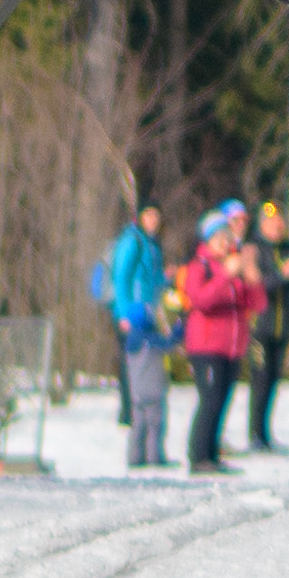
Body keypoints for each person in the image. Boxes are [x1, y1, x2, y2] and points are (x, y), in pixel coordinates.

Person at [177, 201, 264, 476]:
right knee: (210, 398)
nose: (226, 243)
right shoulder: (200, 266)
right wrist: (225, 276)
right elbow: (200, 299)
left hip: (231, 347)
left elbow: (257, 304)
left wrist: (252, 278)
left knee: (223, 399)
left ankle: (212, 454)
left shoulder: (233, 267)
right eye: (220, 238)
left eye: (228, 238)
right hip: (206, 346)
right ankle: (198, 454)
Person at [107, 198, 171, 470]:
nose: (154, 221)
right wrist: (122, 314)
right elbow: (121, 277)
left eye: (157, 216)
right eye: (149, 216)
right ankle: (129, 412)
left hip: (147, 313)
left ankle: (144, 438)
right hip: (133, 314)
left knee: (146, 366)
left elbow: (151, 279)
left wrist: (167, 279)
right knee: (135, 366)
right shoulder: (132, 241)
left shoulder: (151, 243)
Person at [248, 199, 289, 452]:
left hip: (282, 327)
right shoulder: (253, 250)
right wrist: (283, 274)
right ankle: (255, 434)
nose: (277, 226)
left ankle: (264, 433)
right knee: (260, 380)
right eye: (271, 222)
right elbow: (257, 287)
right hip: (259, 328)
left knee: (273, 380)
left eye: (279, 222)